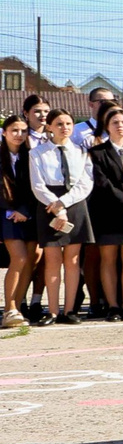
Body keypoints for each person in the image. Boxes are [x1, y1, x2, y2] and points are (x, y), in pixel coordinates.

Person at [28, 106, 92, 324]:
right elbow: (37, 185)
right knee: (53, 259)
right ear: (49, 127)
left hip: (73, 202)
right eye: (59, 124)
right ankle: (53, 311)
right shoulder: (36, 152)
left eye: (68, 124)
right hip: (48, 205)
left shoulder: (81, 151)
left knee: (73, 260)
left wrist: (64, 204)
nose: (64, 128)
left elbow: (85, 183)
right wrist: (57, 208)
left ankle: (70, 309)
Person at [83, 103, 123, 322]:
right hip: (108, 213)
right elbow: (103, 184)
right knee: (108, 259)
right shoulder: (97, 153)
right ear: (106, 126)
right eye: (115, 122)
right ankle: (112, 306)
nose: (120, 126)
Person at [3, 114, 37, 328]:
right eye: (14, 130)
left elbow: (35, 187)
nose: (19, 134)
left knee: (30, 261)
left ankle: (18, 307)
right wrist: (12, 211)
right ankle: (9, 308)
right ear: (4, 132)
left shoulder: (31, 156)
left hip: (29, 214)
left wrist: (24, 210)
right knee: (19, 258)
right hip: (5, 214)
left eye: (23, 131)